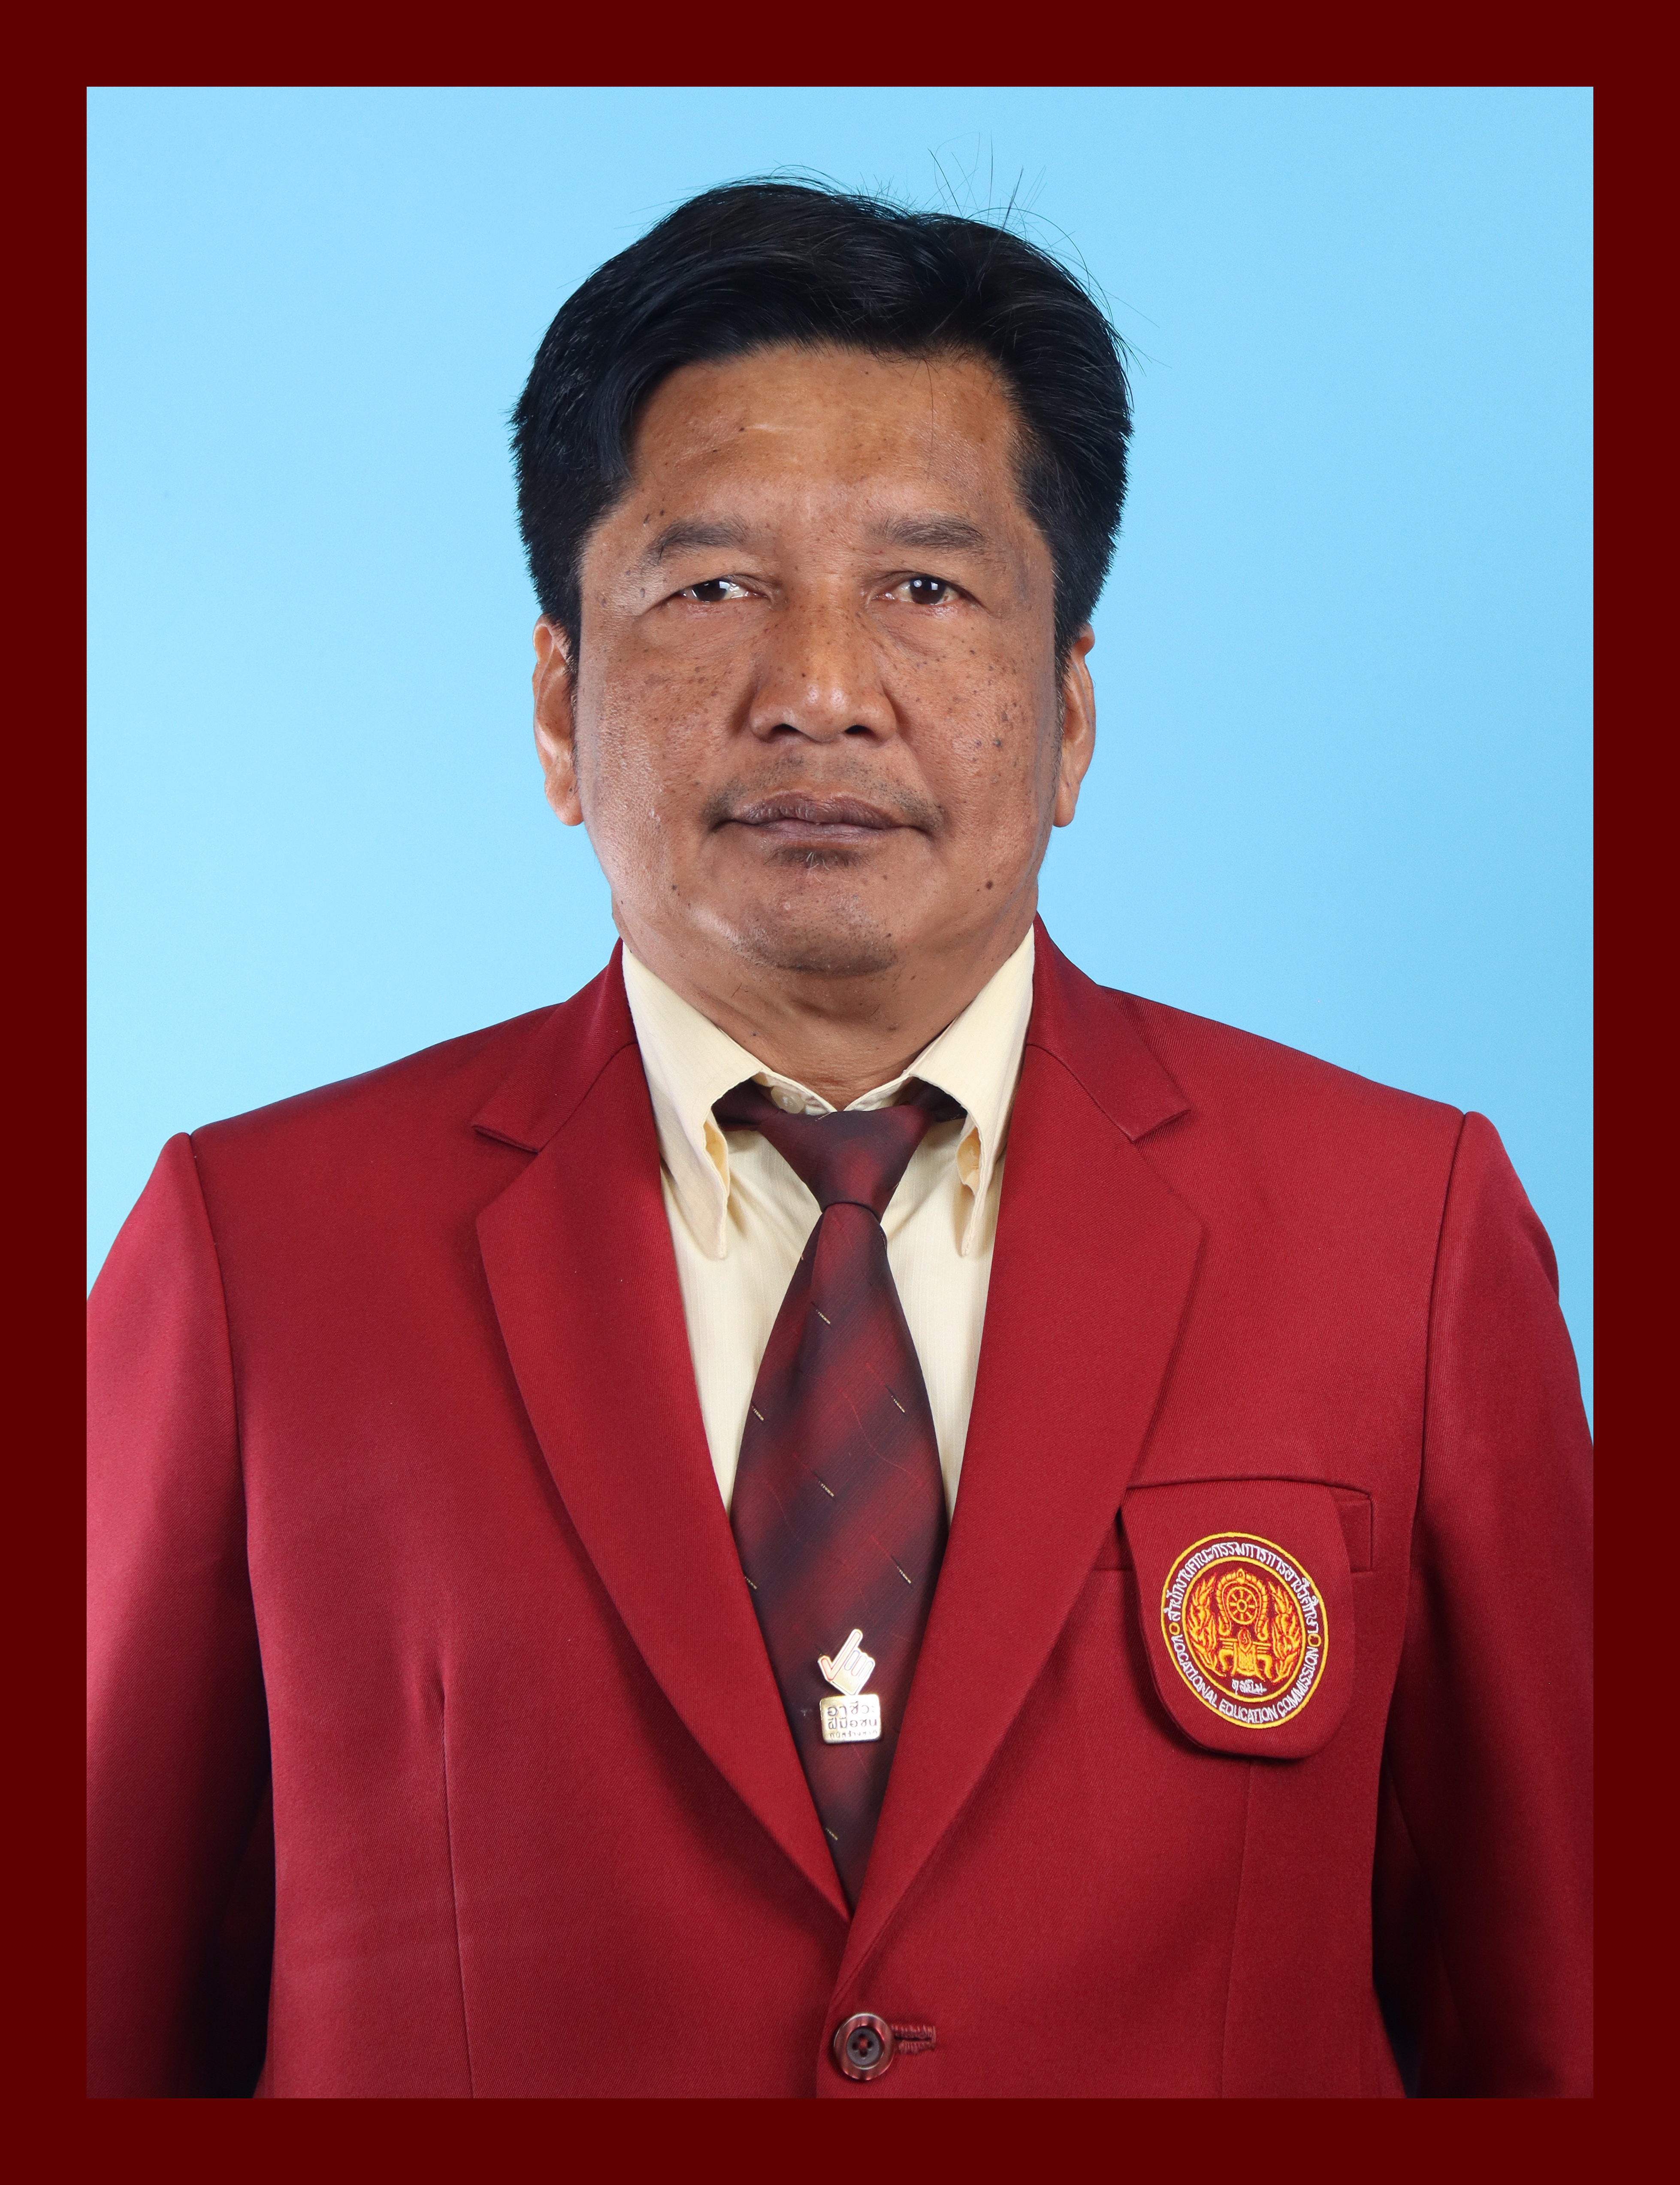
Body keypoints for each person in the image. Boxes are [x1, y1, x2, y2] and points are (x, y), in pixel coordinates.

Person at [87, 181, 1592, 2099]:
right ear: (555, 707)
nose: (817, 691)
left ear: (1068, 712)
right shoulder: (257, 1254)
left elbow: (1567, 2028)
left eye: (924, 589)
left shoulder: (1400, 1234)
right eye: (711, 587)